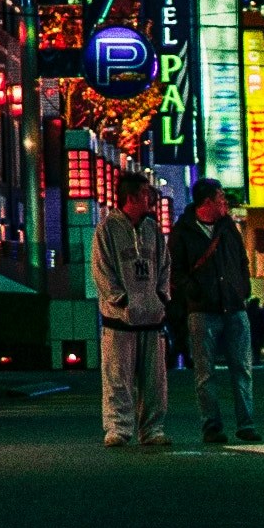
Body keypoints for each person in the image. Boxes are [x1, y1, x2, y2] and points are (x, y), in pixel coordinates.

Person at [91, 167, 173, 448]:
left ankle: (152, 429)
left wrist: (161, 296)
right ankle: (118, 427)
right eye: (145, 194)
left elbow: (165, 266)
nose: (150, 198)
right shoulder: (107, 229)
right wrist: (120, 300)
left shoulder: (152, 230)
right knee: (117, 378)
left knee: (154, 381)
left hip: (151, 316)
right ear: (131, 197)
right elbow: (102, 270)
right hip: (120, 318)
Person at [176, 179, 262, 444]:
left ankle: (246, 424)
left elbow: (241, 260)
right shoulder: (183, 231)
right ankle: (211, 426)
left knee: (242, 368)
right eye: (220, 198)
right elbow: (176, 272)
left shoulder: (228, 228)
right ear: (207, 202)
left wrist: (242, 289)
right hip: (202, 310)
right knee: (205, 372)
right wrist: (194, 293)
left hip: (234, 307)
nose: (225, 202)